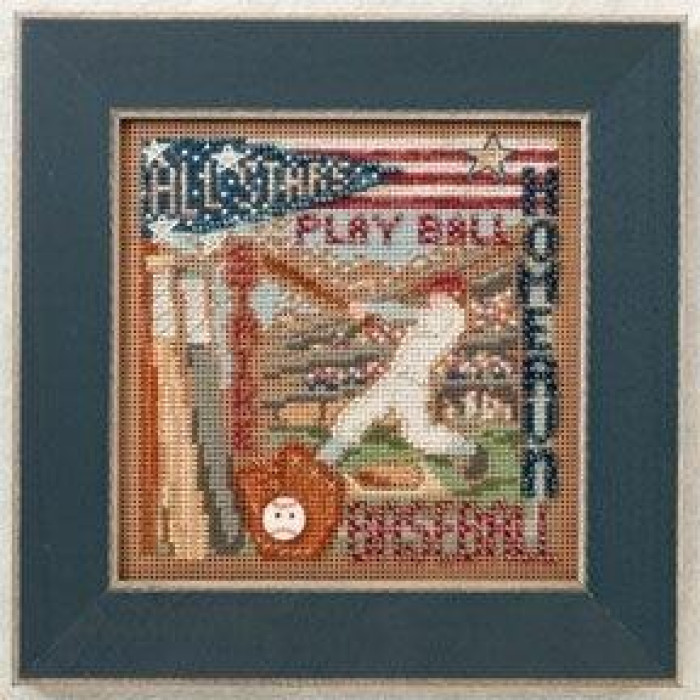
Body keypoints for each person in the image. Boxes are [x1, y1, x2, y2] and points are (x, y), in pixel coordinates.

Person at [318, 272, 489, 477]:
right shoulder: (440, 314)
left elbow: (406, 313)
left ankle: (469, 450)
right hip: (396, 377)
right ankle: (322, 463)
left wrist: (369, 308)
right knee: (355, 416)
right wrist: (369, 317)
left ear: (448, 294)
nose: (430, 296)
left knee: (418, 436)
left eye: (435, 292)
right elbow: (408, 323)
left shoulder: (449, 313)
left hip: (410, 382)